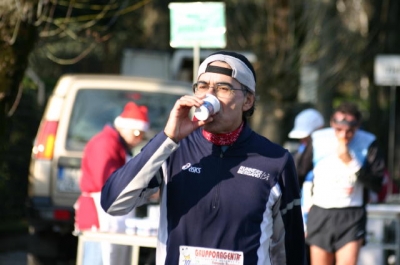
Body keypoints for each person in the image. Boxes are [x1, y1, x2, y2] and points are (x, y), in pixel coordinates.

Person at [101, 51, 307, 265]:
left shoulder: (276, 160)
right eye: (202, 86)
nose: (209, 96)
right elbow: (114, 203)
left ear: (247, 100)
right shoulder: (172, 148)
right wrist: (168, 137)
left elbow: (288, 248)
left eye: (223, 88)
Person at [297, 102, 385, 265]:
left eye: (350, 131)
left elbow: (377, 183)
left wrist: (352, 163)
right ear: (332, 124)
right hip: (321, 213)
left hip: (352, 213)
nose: (344, 135)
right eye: (339, 130)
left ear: (358, 126)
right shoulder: (318, 140)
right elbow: (298, 174)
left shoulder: (369, 142)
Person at [74, 101, 150, 265]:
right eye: (137, 133)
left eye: (142, 135)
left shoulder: (119, 145)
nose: (139, 139)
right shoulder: (105, 144)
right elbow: (109, 182)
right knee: (98, 259)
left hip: (112, 215)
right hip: (99, 215)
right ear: (123, 127)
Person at [288, 108, 324, 265]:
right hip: (302, 213)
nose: (303, 141)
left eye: (306, 138)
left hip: (321, 215)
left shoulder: (326, 151)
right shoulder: (298, 152)